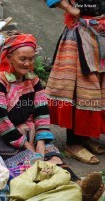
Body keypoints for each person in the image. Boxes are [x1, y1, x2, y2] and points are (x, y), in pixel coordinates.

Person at [0, 33, 104, 201]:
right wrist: (28, 146)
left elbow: (41, 112)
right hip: (3, 138)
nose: (28, 64)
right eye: (23, 59)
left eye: (31, 59)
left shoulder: (33, 80)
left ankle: (78, 184)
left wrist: (40, 142)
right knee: (34, 163)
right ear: (9, 57)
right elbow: (0, 120)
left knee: (52, 157)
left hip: (30, 134)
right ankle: (69, 189)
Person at [44, 0, 105, 164]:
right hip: (79, 34)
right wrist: (68, 7)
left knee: (95, 88)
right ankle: (72, 143)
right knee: (78, 87)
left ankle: (84, 137)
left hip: (99, 32)